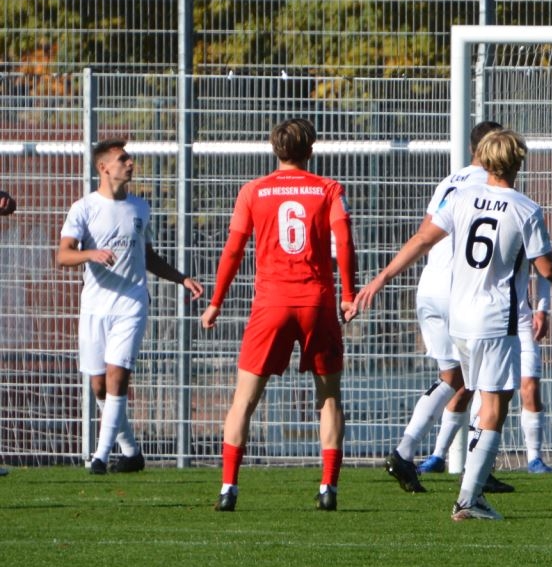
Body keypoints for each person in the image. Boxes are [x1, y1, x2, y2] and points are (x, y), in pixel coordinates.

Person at [355, 129, 552, 521]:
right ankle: (469, 498)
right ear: (519, 162)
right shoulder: (525, 209)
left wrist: (380, 278)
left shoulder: (461, 197)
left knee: (476, 395)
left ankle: (465, 486)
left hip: (459, 319)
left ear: (485, 160)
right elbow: (547, 269)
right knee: (494, 405)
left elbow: (422, 239)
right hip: (494, 319)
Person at [384, 121, 552, 496]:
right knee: (487, 386)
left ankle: (410, 451)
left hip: (430, 289)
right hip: (467, 293)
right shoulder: (496, 191)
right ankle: (473, 477)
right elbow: (541, 263)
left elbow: (426, 233)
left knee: (457, 379)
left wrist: (382, 277)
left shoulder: (450, 182)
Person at [202, 119, 358, 512]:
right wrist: (348, 294)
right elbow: (344, 240)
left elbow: (233, 249)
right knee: (329, 397)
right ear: (311, 150)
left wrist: (216, 300)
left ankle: (228, 488)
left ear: (274, 149)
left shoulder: (253, 190)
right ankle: (328, 487)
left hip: (271, 303)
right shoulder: (328, 189)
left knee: (244, 399)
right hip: (316, 302)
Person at [57, 140, 205, 475]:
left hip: (131, 303)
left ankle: (99, 457)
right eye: (123, 159)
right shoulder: (84, 208)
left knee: (117, 376)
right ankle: (131, 452)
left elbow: (147, 256)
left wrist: (181, 278)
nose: (130, 163)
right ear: (103, 167)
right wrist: (90, 254)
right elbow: (63, 255)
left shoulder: (140, 207)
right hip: (95, 307)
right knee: (99, 385)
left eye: (130, 158)